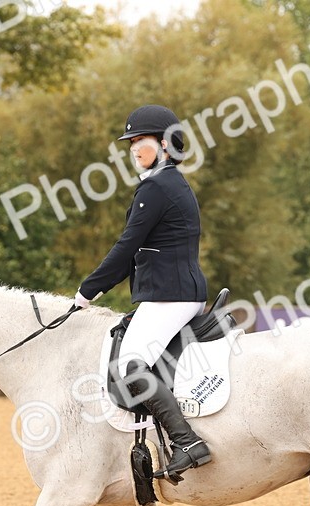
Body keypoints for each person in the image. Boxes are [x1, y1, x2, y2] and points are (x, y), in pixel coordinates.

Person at [73, 104, 212, 479]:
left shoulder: (158, 186)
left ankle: (186, 441)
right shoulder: (167, 183)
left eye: (141, 141)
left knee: (130, 365)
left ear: (165, 144)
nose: (134, 149)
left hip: (173, 296)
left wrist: (87, 292)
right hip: (173, 293)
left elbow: (127, 246)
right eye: (130, 143)